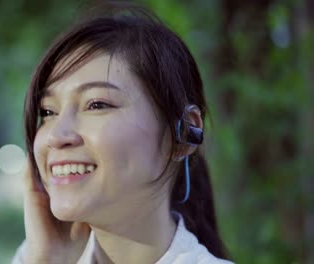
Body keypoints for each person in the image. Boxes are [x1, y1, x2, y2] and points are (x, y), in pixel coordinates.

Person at [12, 2, 234, 264]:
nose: (56, 136)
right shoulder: (36, 255)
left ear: (184, 133)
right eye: (48, 112)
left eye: (97, 104)